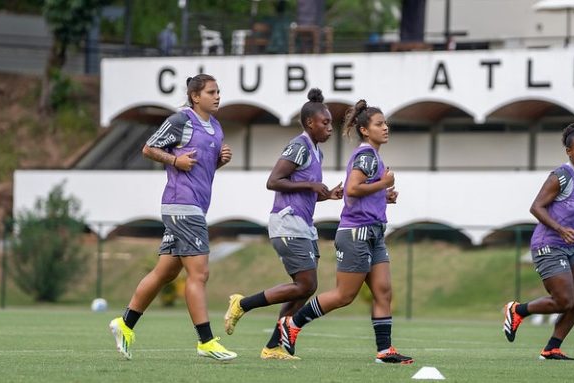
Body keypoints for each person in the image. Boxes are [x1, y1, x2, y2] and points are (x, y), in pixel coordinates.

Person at [109, 74, 237, 362]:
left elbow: (203, 170)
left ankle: (124, 325)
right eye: (211, 92)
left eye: (219, 92)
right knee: (199, 273)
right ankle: (206, 342)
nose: (217, 96)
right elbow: (149, 148)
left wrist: (219, 161)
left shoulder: (216, 127)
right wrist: (174, 160)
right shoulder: (181, 120)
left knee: (165, 272)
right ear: (195, 96)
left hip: (194, 206)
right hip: (182, 205)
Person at [275, 100, 413, 365]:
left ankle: (385, 351)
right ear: (364, 130)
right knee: (343, 296)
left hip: (373, 232)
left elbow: (362, 192)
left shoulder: (374, 155)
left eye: (385, 123)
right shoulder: (365, 156)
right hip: (356, 234)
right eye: (379, 124)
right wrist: (384, 183)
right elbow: (351, 189)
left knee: (383, 291)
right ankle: (292, 323)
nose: (386, 128)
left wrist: (383, 196)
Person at [222, 88, 342, 360]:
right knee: (305, 285)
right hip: (287, 224)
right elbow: (273, 181)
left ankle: (274, 346)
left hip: (303, 224)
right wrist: (311, 184)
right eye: (325, 123)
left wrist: (326, 195)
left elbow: (300, 192)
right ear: (310, 122)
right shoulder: (299, 145)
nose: (329, 128)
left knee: (303, 289)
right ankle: (242, 304)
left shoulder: (316, 152)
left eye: (331, 123)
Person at [503, 123, 574, 360]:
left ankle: (552, 347)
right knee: (564, 300)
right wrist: (560, 228)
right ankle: (517, 310)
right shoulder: (560, 176)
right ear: (569, 151)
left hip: (570, 246)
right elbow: (536, 207)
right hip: (548, 244)